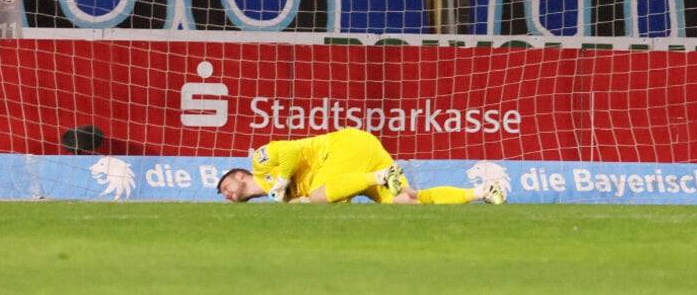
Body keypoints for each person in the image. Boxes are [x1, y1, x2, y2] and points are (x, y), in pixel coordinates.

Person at [216, 128, 507, 205]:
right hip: (355, 164)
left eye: (225, 187)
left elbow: (290, 150)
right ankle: (483, 193)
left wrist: (281, 181)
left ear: (240, 175)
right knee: (407, 199)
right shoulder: (277, 199)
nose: (226, 193)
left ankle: (381, 175)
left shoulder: (260, 162)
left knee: (318, 197)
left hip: (344, 147)